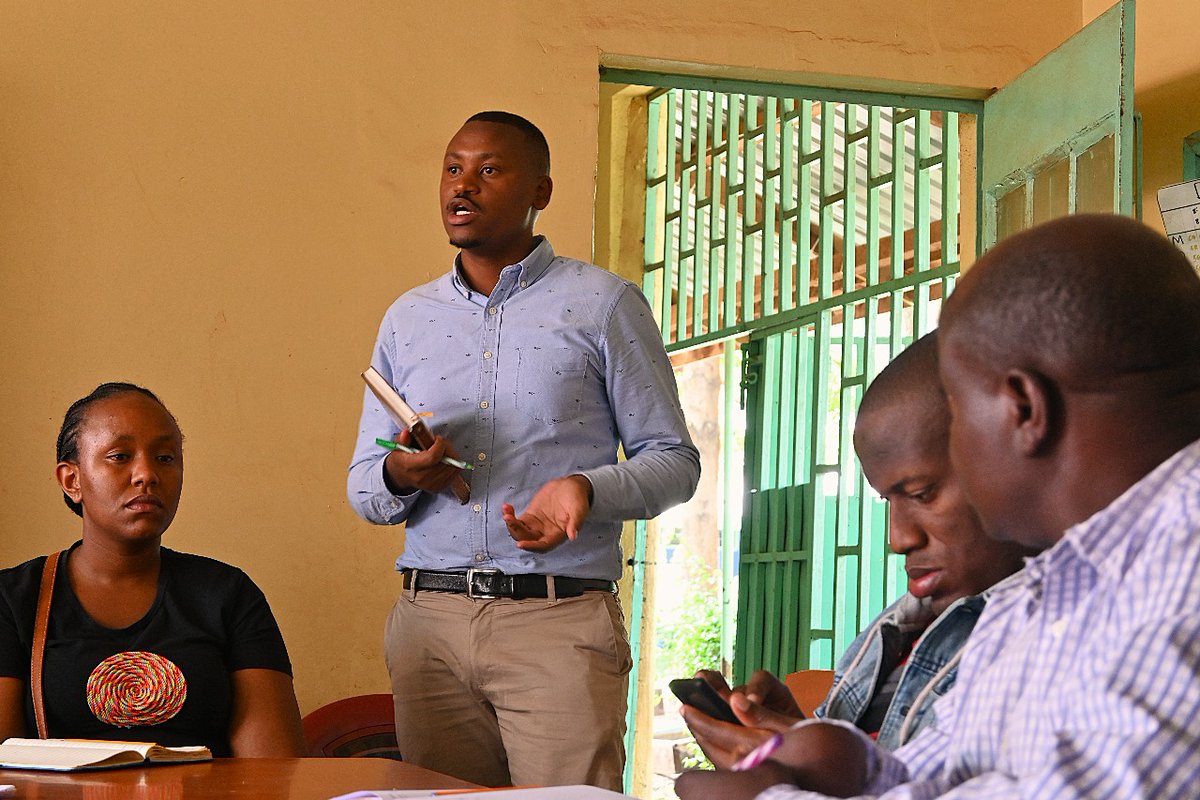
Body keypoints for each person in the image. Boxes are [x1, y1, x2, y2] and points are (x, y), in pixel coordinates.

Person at [675, 213, 1200, 799]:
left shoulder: (1185, 571)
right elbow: (947, 770)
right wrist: (844, 761)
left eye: (958, 410)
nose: (900, 536)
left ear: (1023, 407)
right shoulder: (1043, 592)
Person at [346, 110, 700, 790]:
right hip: (430, 627)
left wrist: (588, 489)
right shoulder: (407, 319)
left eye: (489, 170)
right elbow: (365, 487)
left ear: (540, 192)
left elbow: (674, 460)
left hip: (557, 622)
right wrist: (404, 470)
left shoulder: (604, 304)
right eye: (453, 168)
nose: (463, 186)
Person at [681, 333, 1031, 767]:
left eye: (921, 494)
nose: (899, 538)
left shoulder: (1047, 643)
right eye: (887, 501)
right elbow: (861, 752)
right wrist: (796, 737)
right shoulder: (894, 627)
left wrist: (826, 771)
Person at [0, 383, 306, 757]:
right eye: (119, 456)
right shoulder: (15, 600)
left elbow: (272, 774)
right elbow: (7, 770)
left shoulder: (228, 595)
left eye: (165, 457)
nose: (146, 474)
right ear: (72, 480)